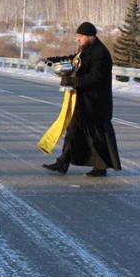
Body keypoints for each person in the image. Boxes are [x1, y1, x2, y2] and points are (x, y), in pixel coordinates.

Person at [42, 22, 121, 177]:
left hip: (95, 104)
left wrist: (74, 82)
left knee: (95, 137)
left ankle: (100, 167)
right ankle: (62, 163)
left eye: (81, 36)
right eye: (77, 36)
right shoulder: (86, 50)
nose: (78, 39)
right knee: (72, 132)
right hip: (82, 102)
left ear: (91, 36)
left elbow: (96, 77)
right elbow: (74, 60)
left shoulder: (101, 53)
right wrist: (54, 60)